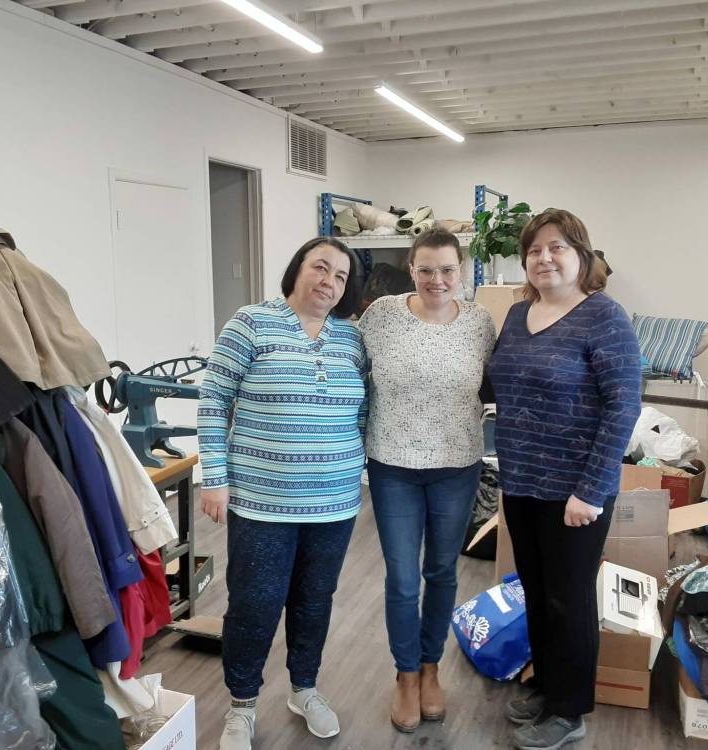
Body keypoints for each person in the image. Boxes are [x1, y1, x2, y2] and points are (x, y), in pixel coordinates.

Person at [197, 237, 367, 750]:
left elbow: (360, 411)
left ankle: (304, 688)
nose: (329, 282)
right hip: (261, 501)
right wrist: (215, 477)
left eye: (340, 276)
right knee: (255, 603)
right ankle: (241, 705)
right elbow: (212, 400)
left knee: (315, 601)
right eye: (321, 267)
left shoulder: (350, 340)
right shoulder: (251, 322)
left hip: (335, 502)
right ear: (297, 270)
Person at [485, 209, 641, 750]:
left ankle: (570, 709)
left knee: (568, 599)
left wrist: (591, 490)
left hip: (575, 490)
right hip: (521, 481)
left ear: (582, 255)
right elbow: (494, 385)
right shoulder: (517, 314)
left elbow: (623, 407)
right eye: (534, 250)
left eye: (556, 247)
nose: (544, 258)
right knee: (535, 591)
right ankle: (548, 683)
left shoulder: (604, 316)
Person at [358, 228, 496, 733]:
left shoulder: (480, 322)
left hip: (456, 466)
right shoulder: (382, 317)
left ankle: (432, 668)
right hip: (392, 466)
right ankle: (406, 675)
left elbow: (496, 385)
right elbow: (353, 374)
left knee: (441, 571)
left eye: (447, 270)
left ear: (461, 271)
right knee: (401, 577)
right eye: (426, 269)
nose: (437, 280)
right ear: (412, 270)